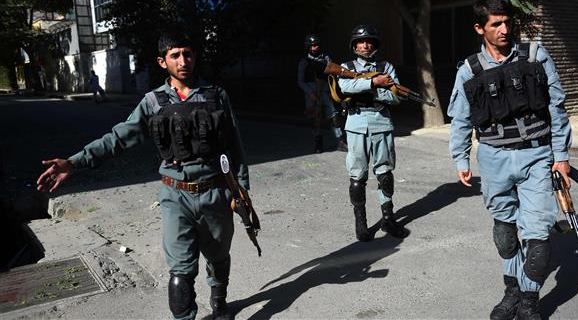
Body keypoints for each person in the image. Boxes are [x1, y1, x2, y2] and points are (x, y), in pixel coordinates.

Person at [37, 32, 249, 320]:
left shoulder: (216, 95)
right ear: (163, 62)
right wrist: (75, 162)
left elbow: (235, 145)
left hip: (215, 192)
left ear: (195, 57)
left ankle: (219, 300)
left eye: (188, 53)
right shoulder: (153, 102)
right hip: (176, 195)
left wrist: (243, 192)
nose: (183, 60)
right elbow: (118, 138)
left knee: (219, 257)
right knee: (180, 271)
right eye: (175, 55)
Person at [447, 0, 572, 320]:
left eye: (507, 22)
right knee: (504, 232)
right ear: (480, 28)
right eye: (495, 24)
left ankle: (529, 302)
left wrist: (561, 155)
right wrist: (461, 159)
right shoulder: (469, 69)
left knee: (539, 235)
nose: (504, 29)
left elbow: (557, 109)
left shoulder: (535, 56)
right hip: (493, 158)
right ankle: (512, 293)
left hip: (536, 155)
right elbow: (460, 118)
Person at [337, 24, 407, 242]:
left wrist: (373, 93)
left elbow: (396, 96)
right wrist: (374, 82)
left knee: (385, 174)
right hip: (356, 124)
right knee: (357, 176)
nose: (365, 45)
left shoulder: (386, 66)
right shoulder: (345, 66)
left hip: (381, 123)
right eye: (361, 41)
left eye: (369, 41)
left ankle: (388, 217)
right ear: (354, 45)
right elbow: (344, 87)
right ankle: (361, 222)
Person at [297, 34, 347, 153]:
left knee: (334, 116)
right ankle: (317, 141)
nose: (315, 48)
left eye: (316, 45)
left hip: (324, 90)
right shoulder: (304, 61)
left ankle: (341, 141)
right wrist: (310, 93)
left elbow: (333, 72)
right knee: (315, 119)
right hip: (311, 93)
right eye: (312, 46)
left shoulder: (326, 58)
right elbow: (300, 81)